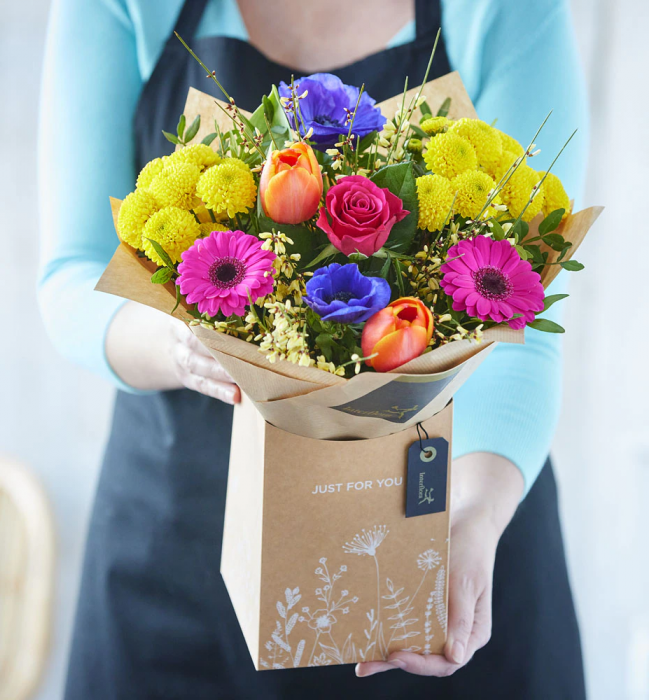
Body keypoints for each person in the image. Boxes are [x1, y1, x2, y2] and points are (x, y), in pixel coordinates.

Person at [38, 0, 588, 697]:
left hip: (441, 526)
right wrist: (181, 342)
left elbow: (517, 304)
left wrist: (475, 515)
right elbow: (72, 275)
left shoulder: (504, 10)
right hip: (178, 544)